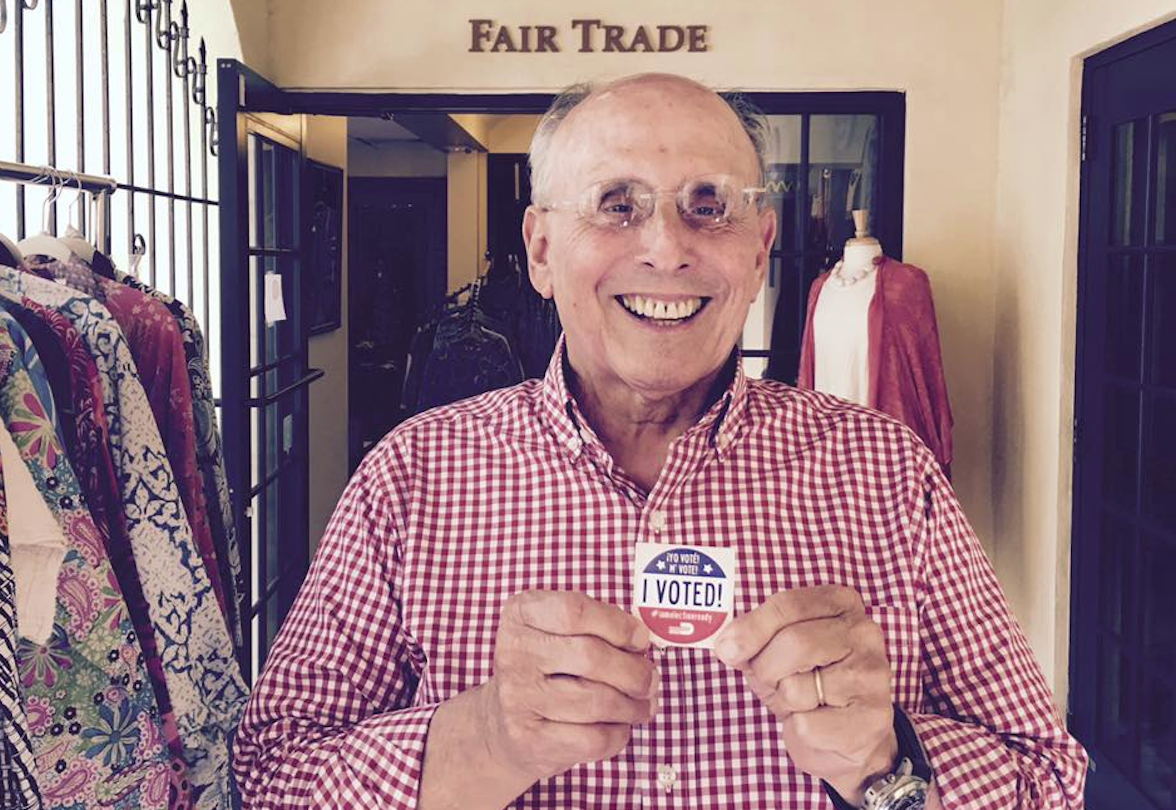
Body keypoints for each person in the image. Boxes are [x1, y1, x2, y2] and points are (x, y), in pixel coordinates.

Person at [231, 73, 1087, 809]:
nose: (668, 249)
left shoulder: (887, 473)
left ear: (760, 249)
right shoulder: (411, 477)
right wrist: (484, 740)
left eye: (708, 207)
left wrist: (888, 764)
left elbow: (1051, 780)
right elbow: (268, 777)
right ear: (540, 249)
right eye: (617, 205)